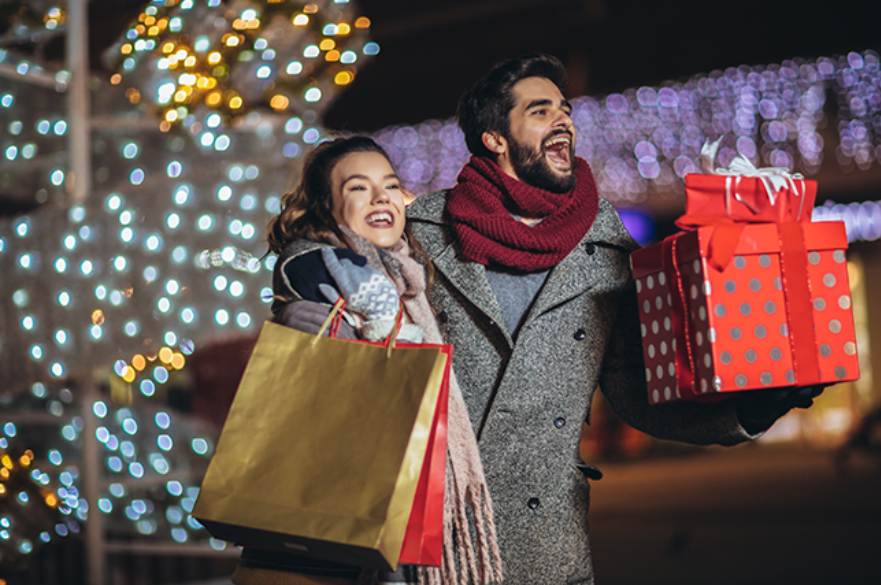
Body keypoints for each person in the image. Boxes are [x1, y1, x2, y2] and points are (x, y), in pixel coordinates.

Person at [398, 54, 824, 584]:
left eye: (565, 108)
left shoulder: (603, 245)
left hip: (547, 546)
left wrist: (749, 410)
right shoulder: (419, 233)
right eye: (539, 109)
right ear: (494, 138)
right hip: (429, 538)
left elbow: (633, 390)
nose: (563, 120)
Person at [234, 136, 503, 585]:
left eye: (391, 185)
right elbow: (354, 295)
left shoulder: (411, 277)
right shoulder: (313, 263)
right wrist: (398, 330)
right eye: (358, 187)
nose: (381, 197)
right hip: (321, 535)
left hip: (391, 516)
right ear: (325, 206)